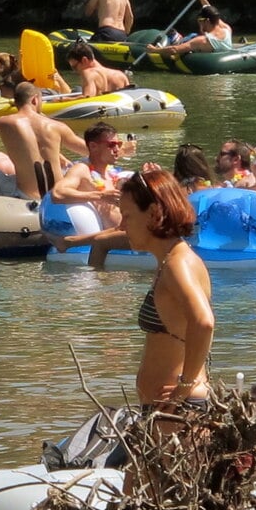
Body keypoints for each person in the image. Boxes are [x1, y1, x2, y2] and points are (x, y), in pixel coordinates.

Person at [121, 169, 214, 412]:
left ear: (153, 214)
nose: (122, 226)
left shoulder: (178, 264)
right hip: (170, 407)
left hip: (178, 409)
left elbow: (203, 322)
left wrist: (184, 387)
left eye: (127, 216)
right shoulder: (171, 260)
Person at [0, 82, 93, 199]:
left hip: (27, 194)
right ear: (35, 100)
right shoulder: (57, 126)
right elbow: (88, 150)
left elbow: (31, 144)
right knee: (81, 163)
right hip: (56, 193)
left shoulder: (3, 122)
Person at [49, 122, 129, 265]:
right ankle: (70, 242)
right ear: (93, 146)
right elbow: (58, 193)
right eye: (111, 145)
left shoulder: (113, 173)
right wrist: (101, 195)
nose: (117, 149)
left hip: (127, 229)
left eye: (119, 144)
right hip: (122, 236)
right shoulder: (82, 169)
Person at [145, 0, 232, 56]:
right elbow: (211, 11)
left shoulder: (202, 41)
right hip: (214, 51)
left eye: (201, 20)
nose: (199, 22)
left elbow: (174, 50)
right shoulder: (227, 29)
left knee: (186, 36)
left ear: (208, 21)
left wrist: (154, 50)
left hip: (191, 48)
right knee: (193, 35)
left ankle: (176, 38)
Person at [65, 41, 132, 97]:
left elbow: (87, 98)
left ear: (84, 60)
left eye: (75, 67)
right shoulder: (120, 74)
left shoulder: (89, 73)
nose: (74, 71)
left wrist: (64, 100)